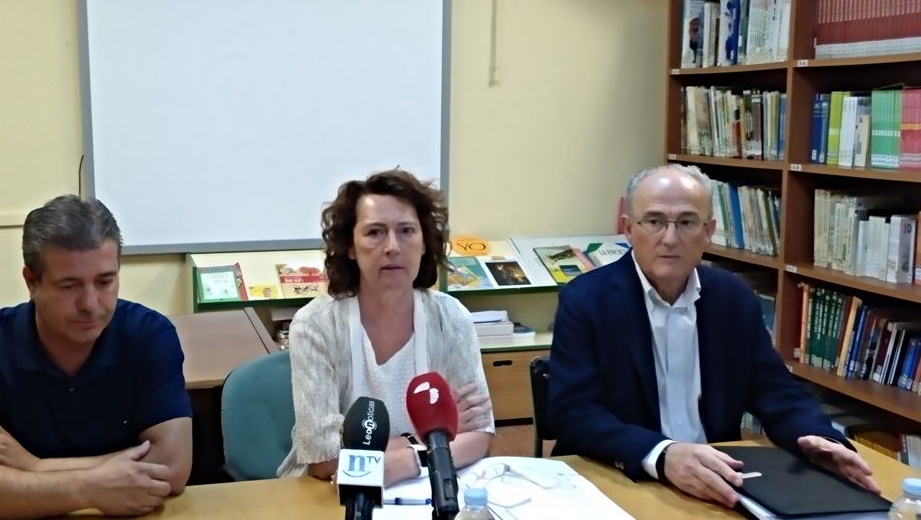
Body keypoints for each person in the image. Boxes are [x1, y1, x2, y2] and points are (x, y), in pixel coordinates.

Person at [548, 165, 880, 508]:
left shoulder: (732, 297)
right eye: (654, 221)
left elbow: (776, 391)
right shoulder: (586, 300)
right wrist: (662, 455)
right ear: (628, 228)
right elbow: (574, 413)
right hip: (622, 477)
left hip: (718, 481)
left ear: (708, 231)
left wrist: (819, 439)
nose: (670, 238)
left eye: (687, 222)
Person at [0, 195, 193, 519]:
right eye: (69, 286)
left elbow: (171, 467)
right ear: (31, 282)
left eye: (105, 281)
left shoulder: (149, 336)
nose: (91, 303)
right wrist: (86, 487)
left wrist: (32, 466)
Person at [278, 169, 494, 484]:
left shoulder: (451, 318)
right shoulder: (315, 325)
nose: (392, 246)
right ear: (350, 247)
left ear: (424, 243)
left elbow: (478, 433)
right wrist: (432, 442)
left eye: (406, 230)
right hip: (328, 494)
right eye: (375, 232)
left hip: (425, 486)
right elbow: (323, 459)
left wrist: (407, 461)